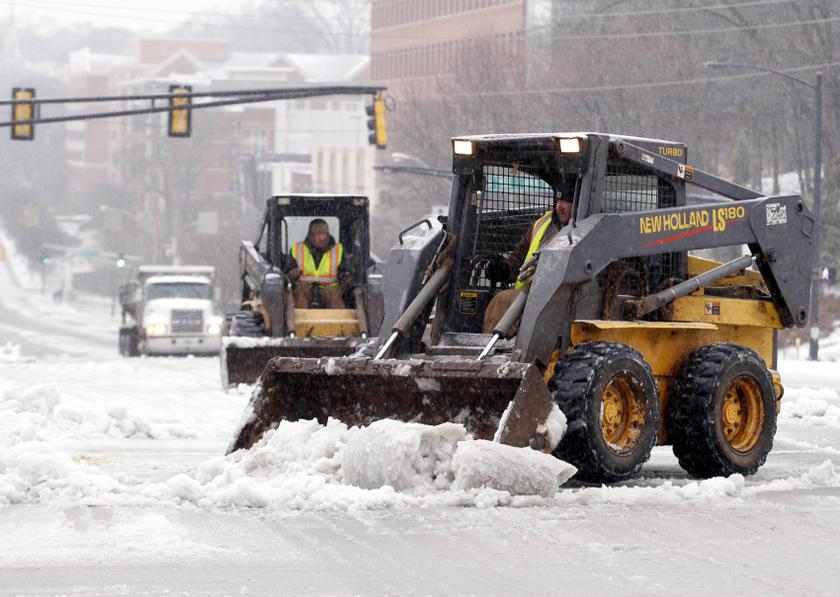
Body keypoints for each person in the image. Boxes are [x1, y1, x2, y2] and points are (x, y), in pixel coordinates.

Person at [482, 187, 574, 334]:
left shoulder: (589, 229)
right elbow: (518, 259)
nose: (560, 208)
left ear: (578, 203)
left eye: (566, 202)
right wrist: (503, 268)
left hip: (561, 296)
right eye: (558, 201)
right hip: (529, 293)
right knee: (501, 300)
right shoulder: (541, 225)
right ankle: (495, 347)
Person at [288, 219, 349, 309]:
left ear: (328, 234)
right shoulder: (296, 249)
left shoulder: (339, 250)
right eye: (319, 233)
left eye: (324, 233)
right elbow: (287, 274)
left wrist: (345, 279)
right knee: (300, 291)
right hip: (305, 291)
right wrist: (292, 274)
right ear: (311, 236)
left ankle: (338, 322)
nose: (322, 237)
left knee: (333, 293)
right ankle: (301, 321)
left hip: (329, 292)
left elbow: (345, 274)